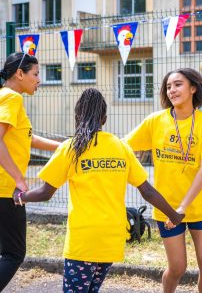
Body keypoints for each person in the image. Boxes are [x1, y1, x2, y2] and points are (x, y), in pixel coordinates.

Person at [12, 88, 185, 293]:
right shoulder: (121, 147)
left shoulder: (71, 148)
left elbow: (45, 193)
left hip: (83, 242)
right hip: (111, 240)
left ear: (77, 116)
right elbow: (147, 191)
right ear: (104, 118)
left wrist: (20, 197)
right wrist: (174, 214)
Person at [124, 68, 202, 293]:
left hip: (198, 208)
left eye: (178, 85)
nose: (172, 90)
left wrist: (183, 207)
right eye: (168, 87)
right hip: (166, 208)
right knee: (177, 268)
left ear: (193, 88)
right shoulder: (155, 121)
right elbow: (124, 146)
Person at [0, 52, 60, 291]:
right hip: (6, 189)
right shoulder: (12, 98)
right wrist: (19, 179)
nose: (39, 80)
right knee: (13, 253)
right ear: (19, 73)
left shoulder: (7, 97)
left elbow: (26, 137)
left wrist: (63, 146)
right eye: (35, 74)